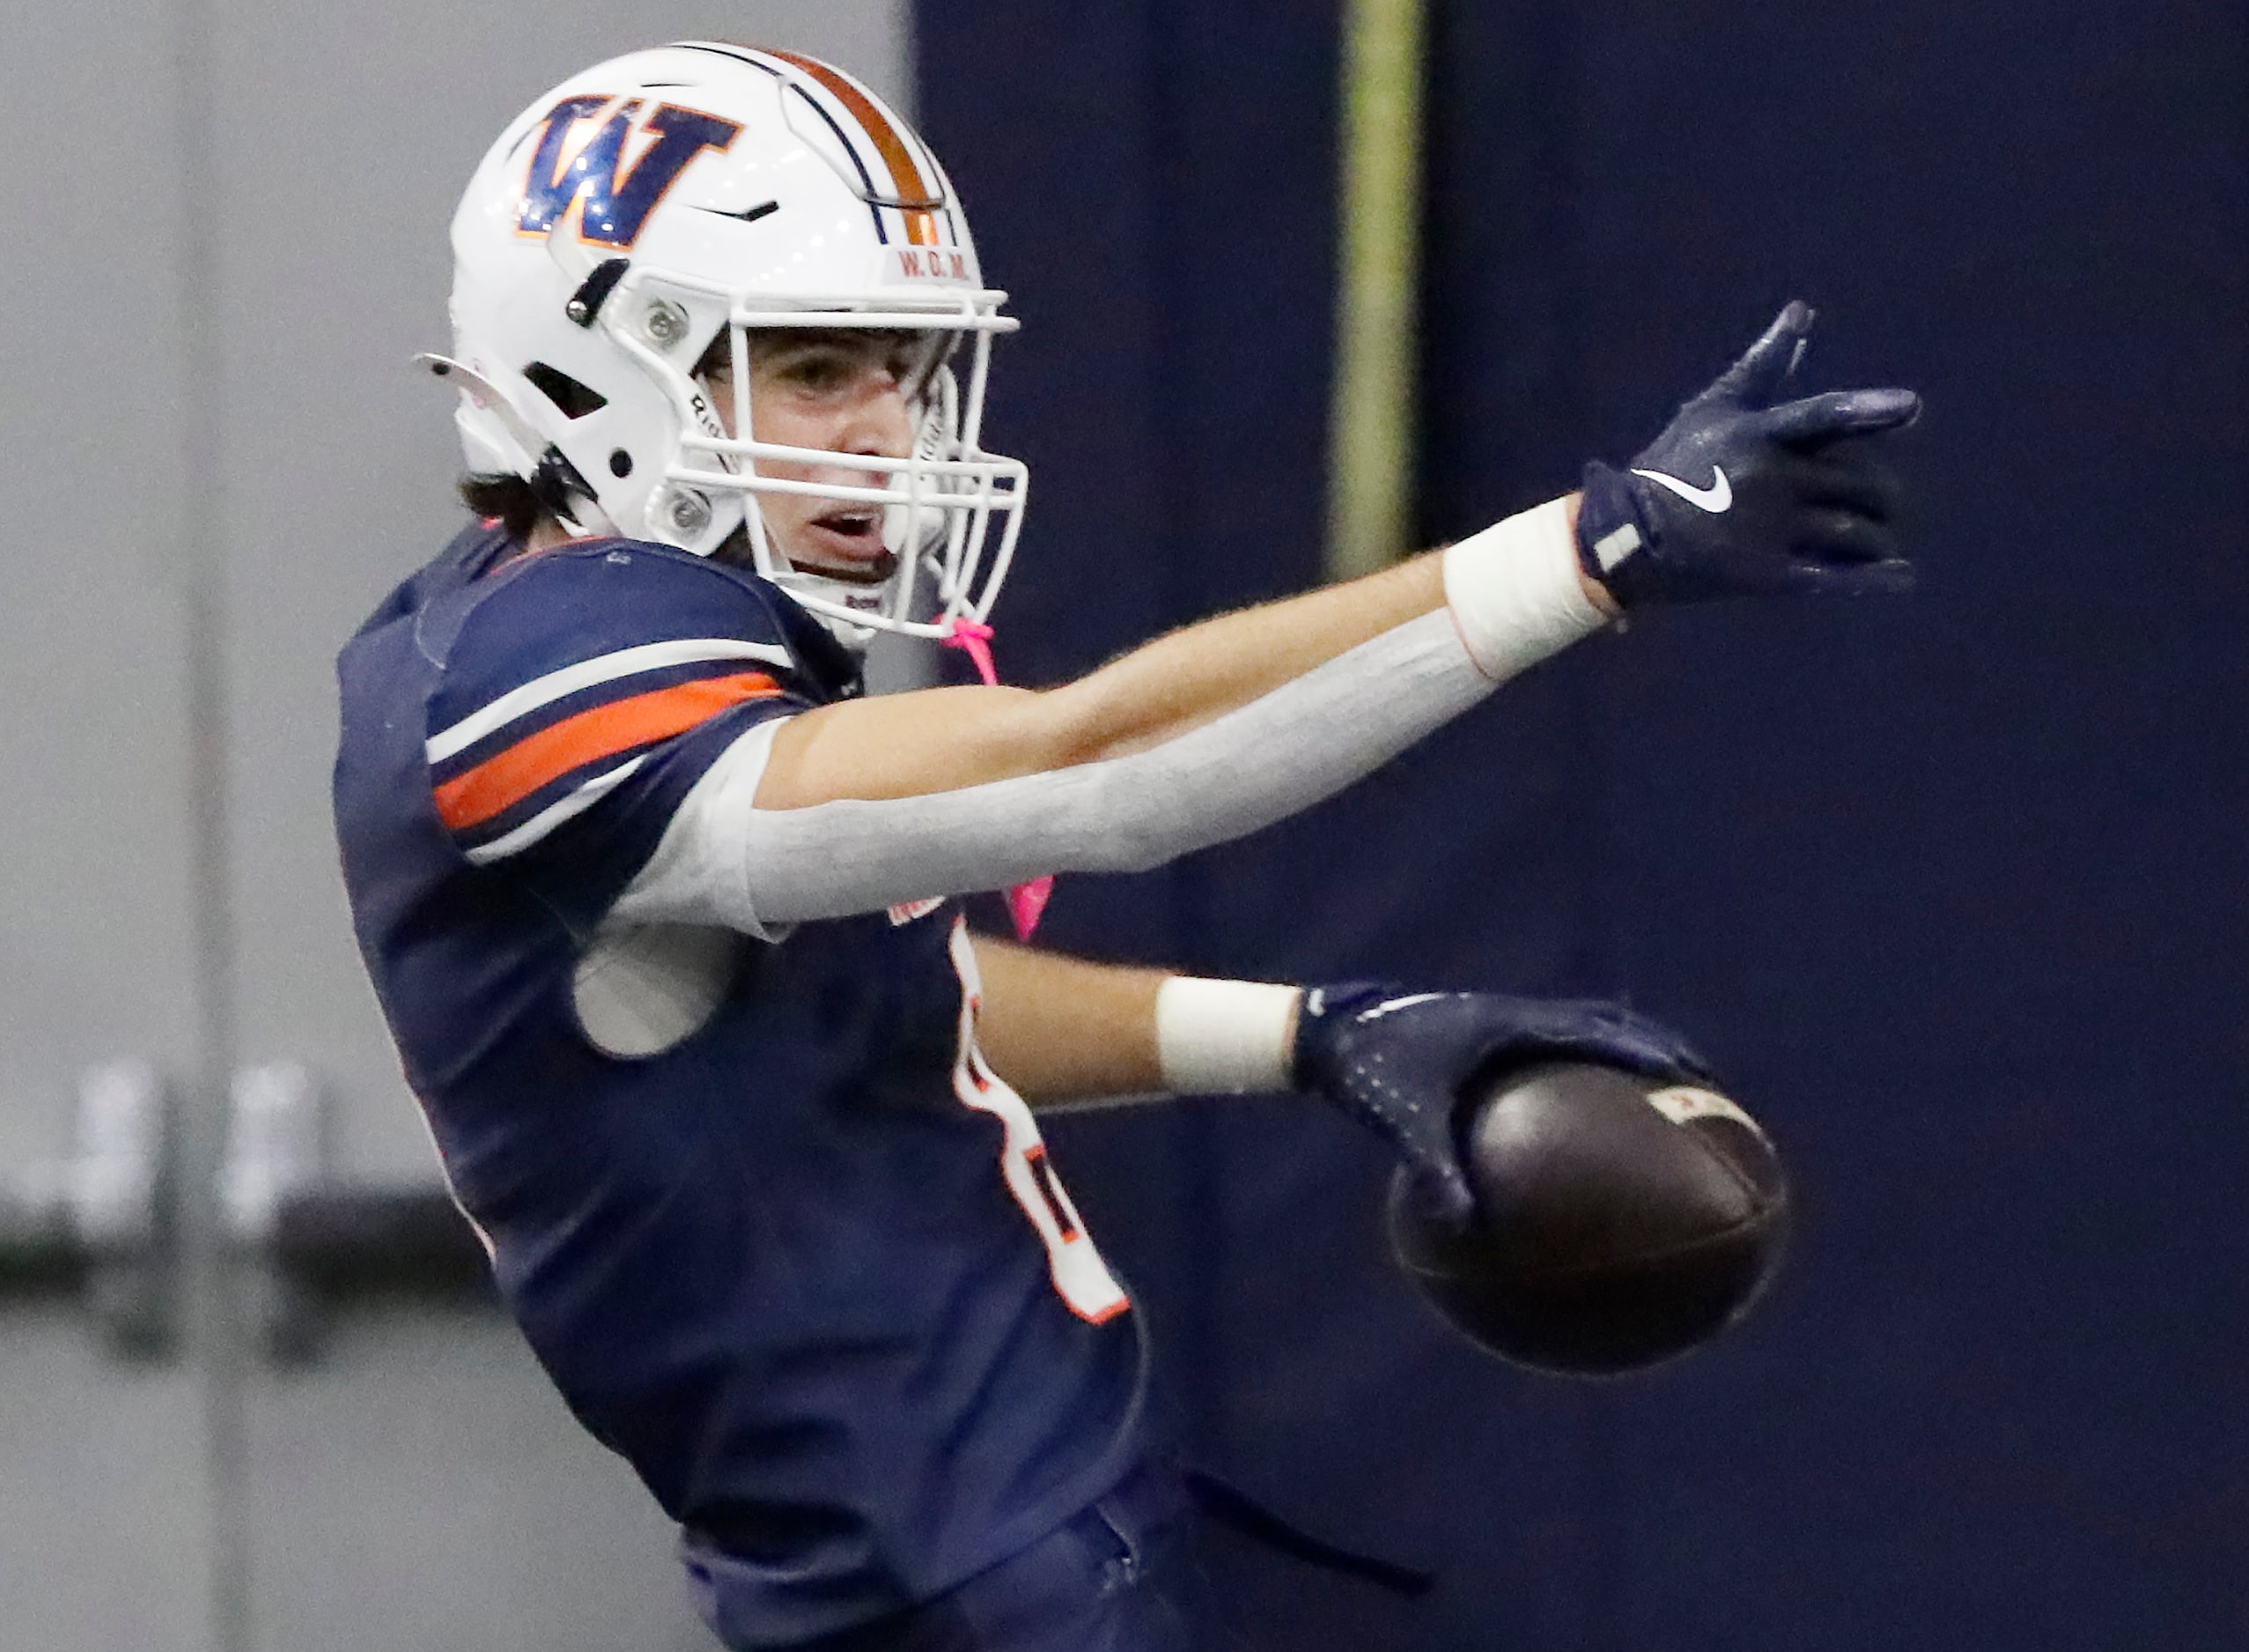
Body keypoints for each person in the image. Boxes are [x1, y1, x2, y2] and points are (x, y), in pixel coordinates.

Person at [333, 41, 1918, 1652]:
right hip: (960, 1588)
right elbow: (1089, 767)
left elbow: (880, 1003)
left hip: (989, 1551)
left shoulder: (527, 643)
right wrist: (1590, 551)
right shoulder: (531, 692)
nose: (886, 435)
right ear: (597, 372)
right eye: (817, 371)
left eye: (906, 371)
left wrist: (1308, 1031)